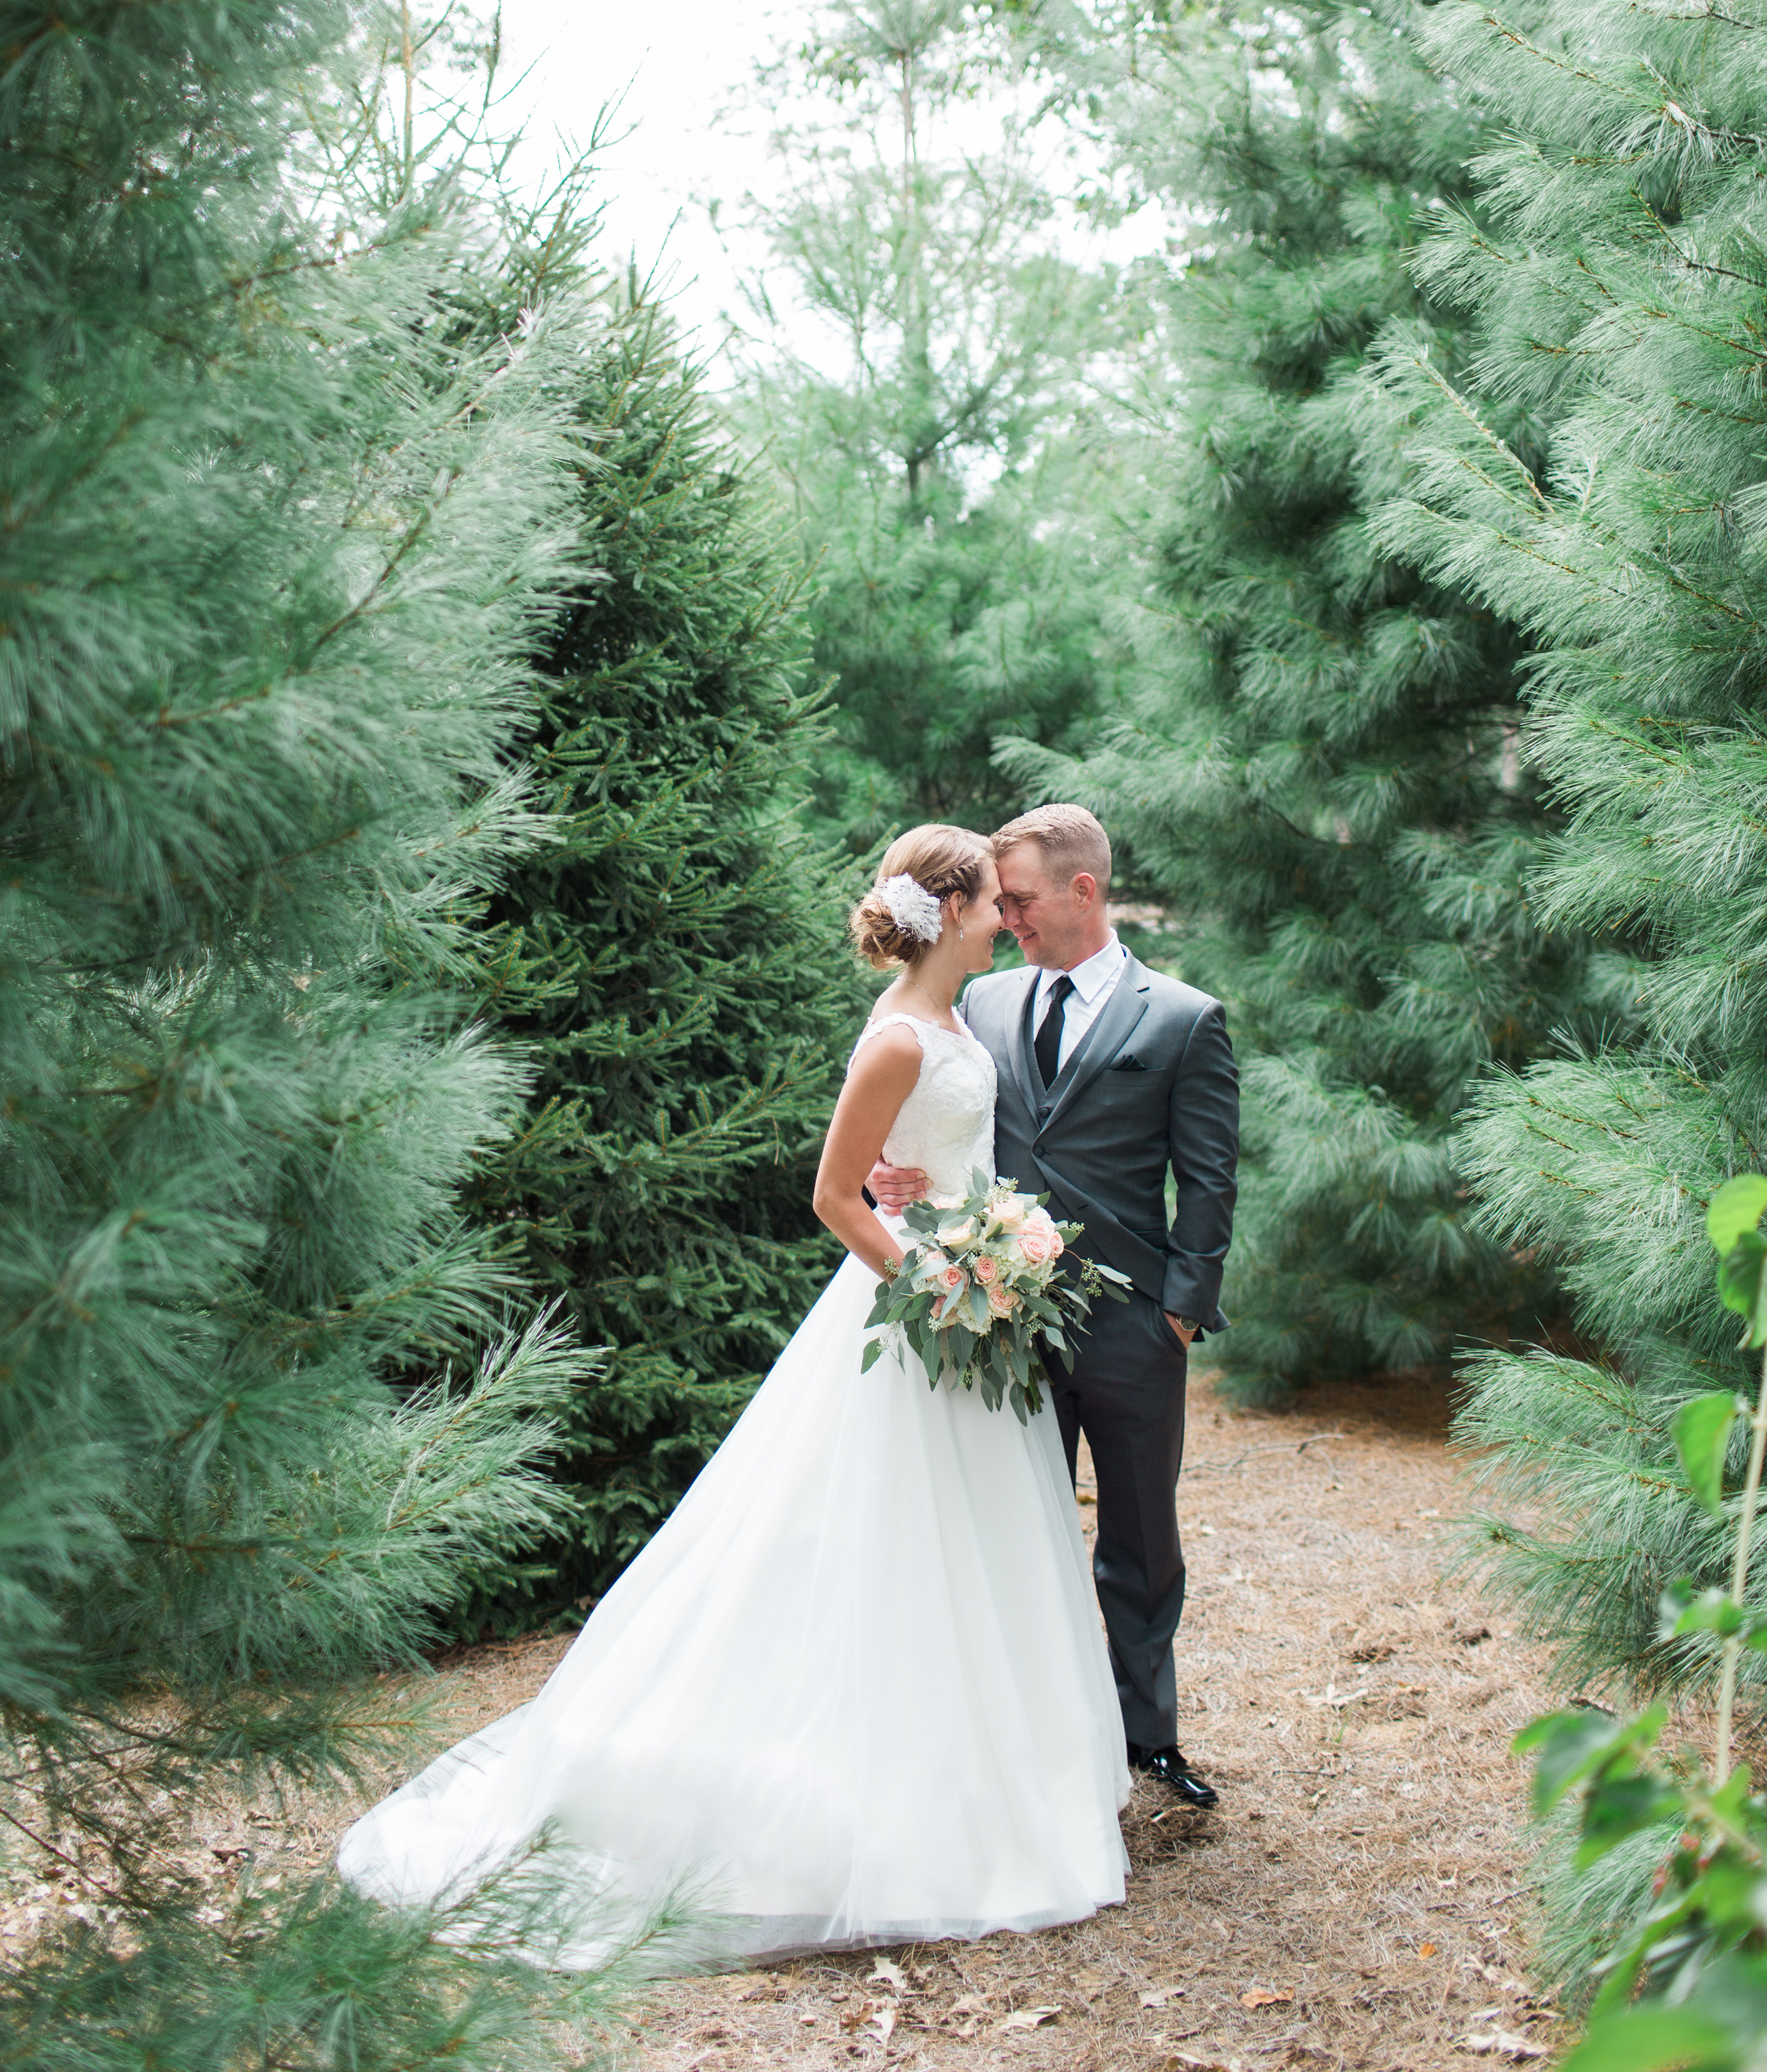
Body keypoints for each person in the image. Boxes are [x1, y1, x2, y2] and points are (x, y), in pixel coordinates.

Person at [336, 825, 1129, 1971]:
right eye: (990, 901)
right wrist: (941, 1279)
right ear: (951, 910)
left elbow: (941, 1162)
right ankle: (867, 1800)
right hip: (920, 1318)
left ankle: (988, 1775)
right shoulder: (901, 1034)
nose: (1008, 915)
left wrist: (993, 1245)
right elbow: (835, 1192)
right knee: (883, 1548)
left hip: (974, 1310)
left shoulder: (963, 1015)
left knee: (980, 1550)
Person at [871, 803, 1238, 1809]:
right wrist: (892, 1185)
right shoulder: (979, 1007)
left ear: (1084, 891)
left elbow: (1207, 1184)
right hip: (998, 1324)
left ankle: (1148, 1741)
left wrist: (1180, 1310)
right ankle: (1029, 1743)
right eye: (1003, 904)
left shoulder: (1182, 1018)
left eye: (1023, 900)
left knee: (1140, 1544)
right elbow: (903, 1116)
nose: (1011, 919)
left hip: (1132, 1329)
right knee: (1011, 1538)